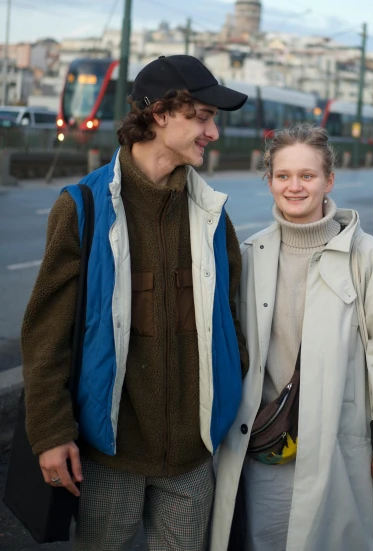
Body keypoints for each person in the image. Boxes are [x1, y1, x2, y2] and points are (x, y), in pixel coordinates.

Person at [21, 55, 250, 551]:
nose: (213, 131)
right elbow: (46, 333)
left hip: (193, 458)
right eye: (203, 116)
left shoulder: (213, 217)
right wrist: (51, 431)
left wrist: (227, 399)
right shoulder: (82, 206)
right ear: (162, 113)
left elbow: (231, 321)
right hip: (109, 457)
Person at [211, 124, 373, 551]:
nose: (294, 187)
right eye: (283, 175)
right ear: (269, 180)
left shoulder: (367, 257)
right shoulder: (250, 253)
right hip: (267, 447)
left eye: (307, 176)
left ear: (329, 180)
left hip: (338, 446)